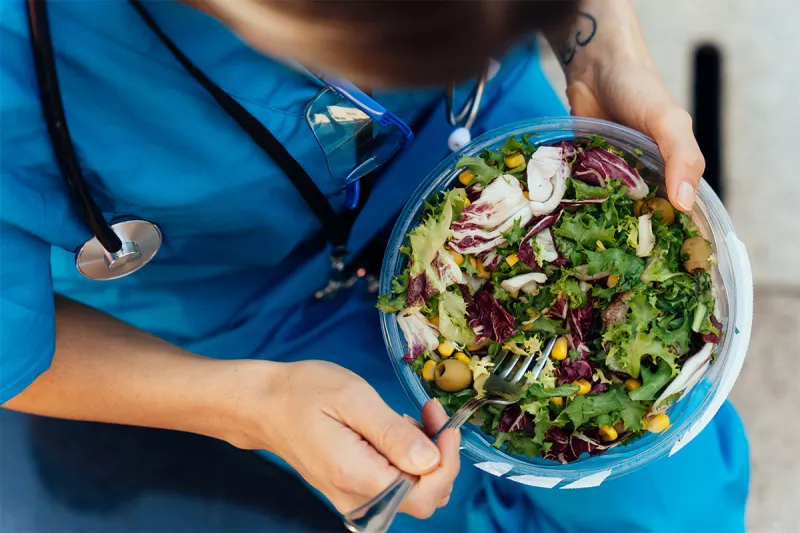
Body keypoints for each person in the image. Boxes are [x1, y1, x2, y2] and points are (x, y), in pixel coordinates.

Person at [0, 1, 748, 532]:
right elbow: (15, 352)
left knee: (677, 510)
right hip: (235, 288)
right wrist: (251, 405)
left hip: (485, 154)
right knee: (414, 492)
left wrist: (603, 46)